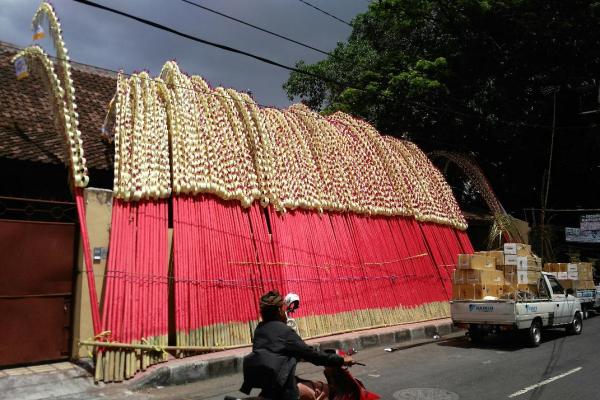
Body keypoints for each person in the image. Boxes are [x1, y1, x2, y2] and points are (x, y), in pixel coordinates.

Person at [240, 290, 353, 400]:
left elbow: (275, 353)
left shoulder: (259, 330)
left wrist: (299, 356)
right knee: (326, 390)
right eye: (284, 309)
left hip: (269, 389)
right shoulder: (285, 331)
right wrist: (341, 360)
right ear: (280, 311)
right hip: (286, 392)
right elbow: (313, 355)